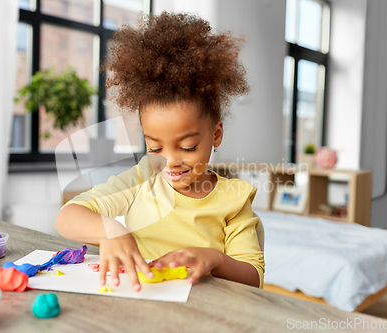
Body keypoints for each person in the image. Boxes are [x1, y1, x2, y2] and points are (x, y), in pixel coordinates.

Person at [55, 11, 264, 292]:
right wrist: (112, 231)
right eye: (155, 147)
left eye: (187, 147)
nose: (171, 161)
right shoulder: (141, 178)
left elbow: (253, 277)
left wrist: (215, 259)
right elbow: (67, 217)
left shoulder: (234, 199)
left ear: (216, 135)